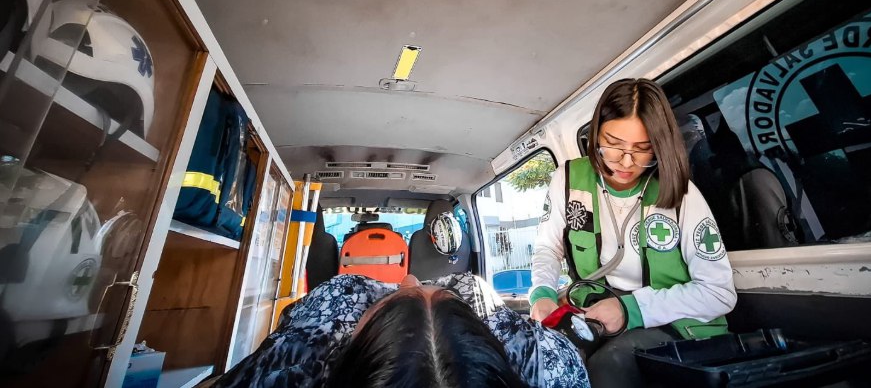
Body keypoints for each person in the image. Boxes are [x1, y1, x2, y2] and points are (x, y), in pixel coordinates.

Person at [529, 78, 737, 388]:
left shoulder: (683, 195)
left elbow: (719, 293)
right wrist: (543, 294)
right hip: (597, 312)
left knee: (607, 370)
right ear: (596, 131)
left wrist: (633, 310)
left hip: (673, 325)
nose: (626, 163)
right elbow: (548, 248)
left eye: (642, 150)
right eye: (612, 144)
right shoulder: (567, 180)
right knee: (540, 364)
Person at [212, 272, 590, 388]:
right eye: (448, 294)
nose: (411, 282)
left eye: (390, 300)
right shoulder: (544, 364)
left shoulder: (302, 353)